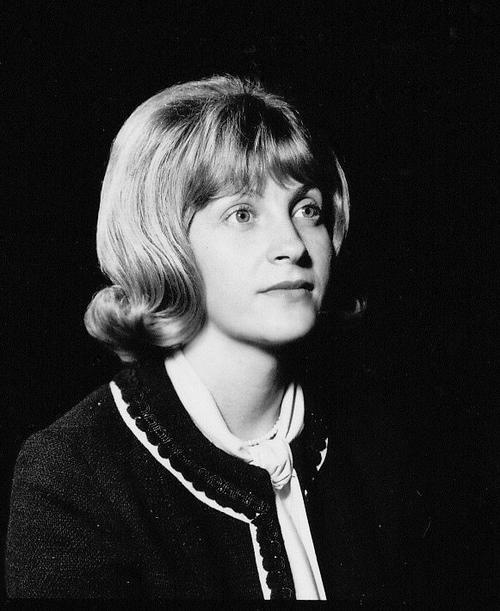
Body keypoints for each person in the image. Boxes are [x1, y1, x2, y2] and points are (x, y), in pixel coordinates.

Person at [6, 75, 429, 601]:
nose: (293, 245)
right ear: (163, 241)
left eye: (307, 209)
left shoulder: (380, 440)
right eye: (242, 213)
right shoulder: (73, 473)